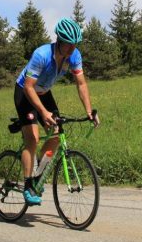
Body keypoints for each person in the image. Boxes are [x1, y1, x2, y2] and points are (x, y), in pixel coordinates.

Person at [14, 17, 100, 205]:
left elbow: (81, 83)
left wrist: (88, 111)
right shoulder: (41, 54)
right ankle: (28, 184)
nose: (72, 49)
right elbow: (29, 87)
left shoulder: (74, 55)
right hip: (25, 93)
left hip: (44, 93)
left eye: (75, 45)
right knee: (33, 139)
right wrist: (43, 113)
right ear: (59, 41)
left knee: (56, 134)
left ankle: (37, 175)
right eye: (69, 45)